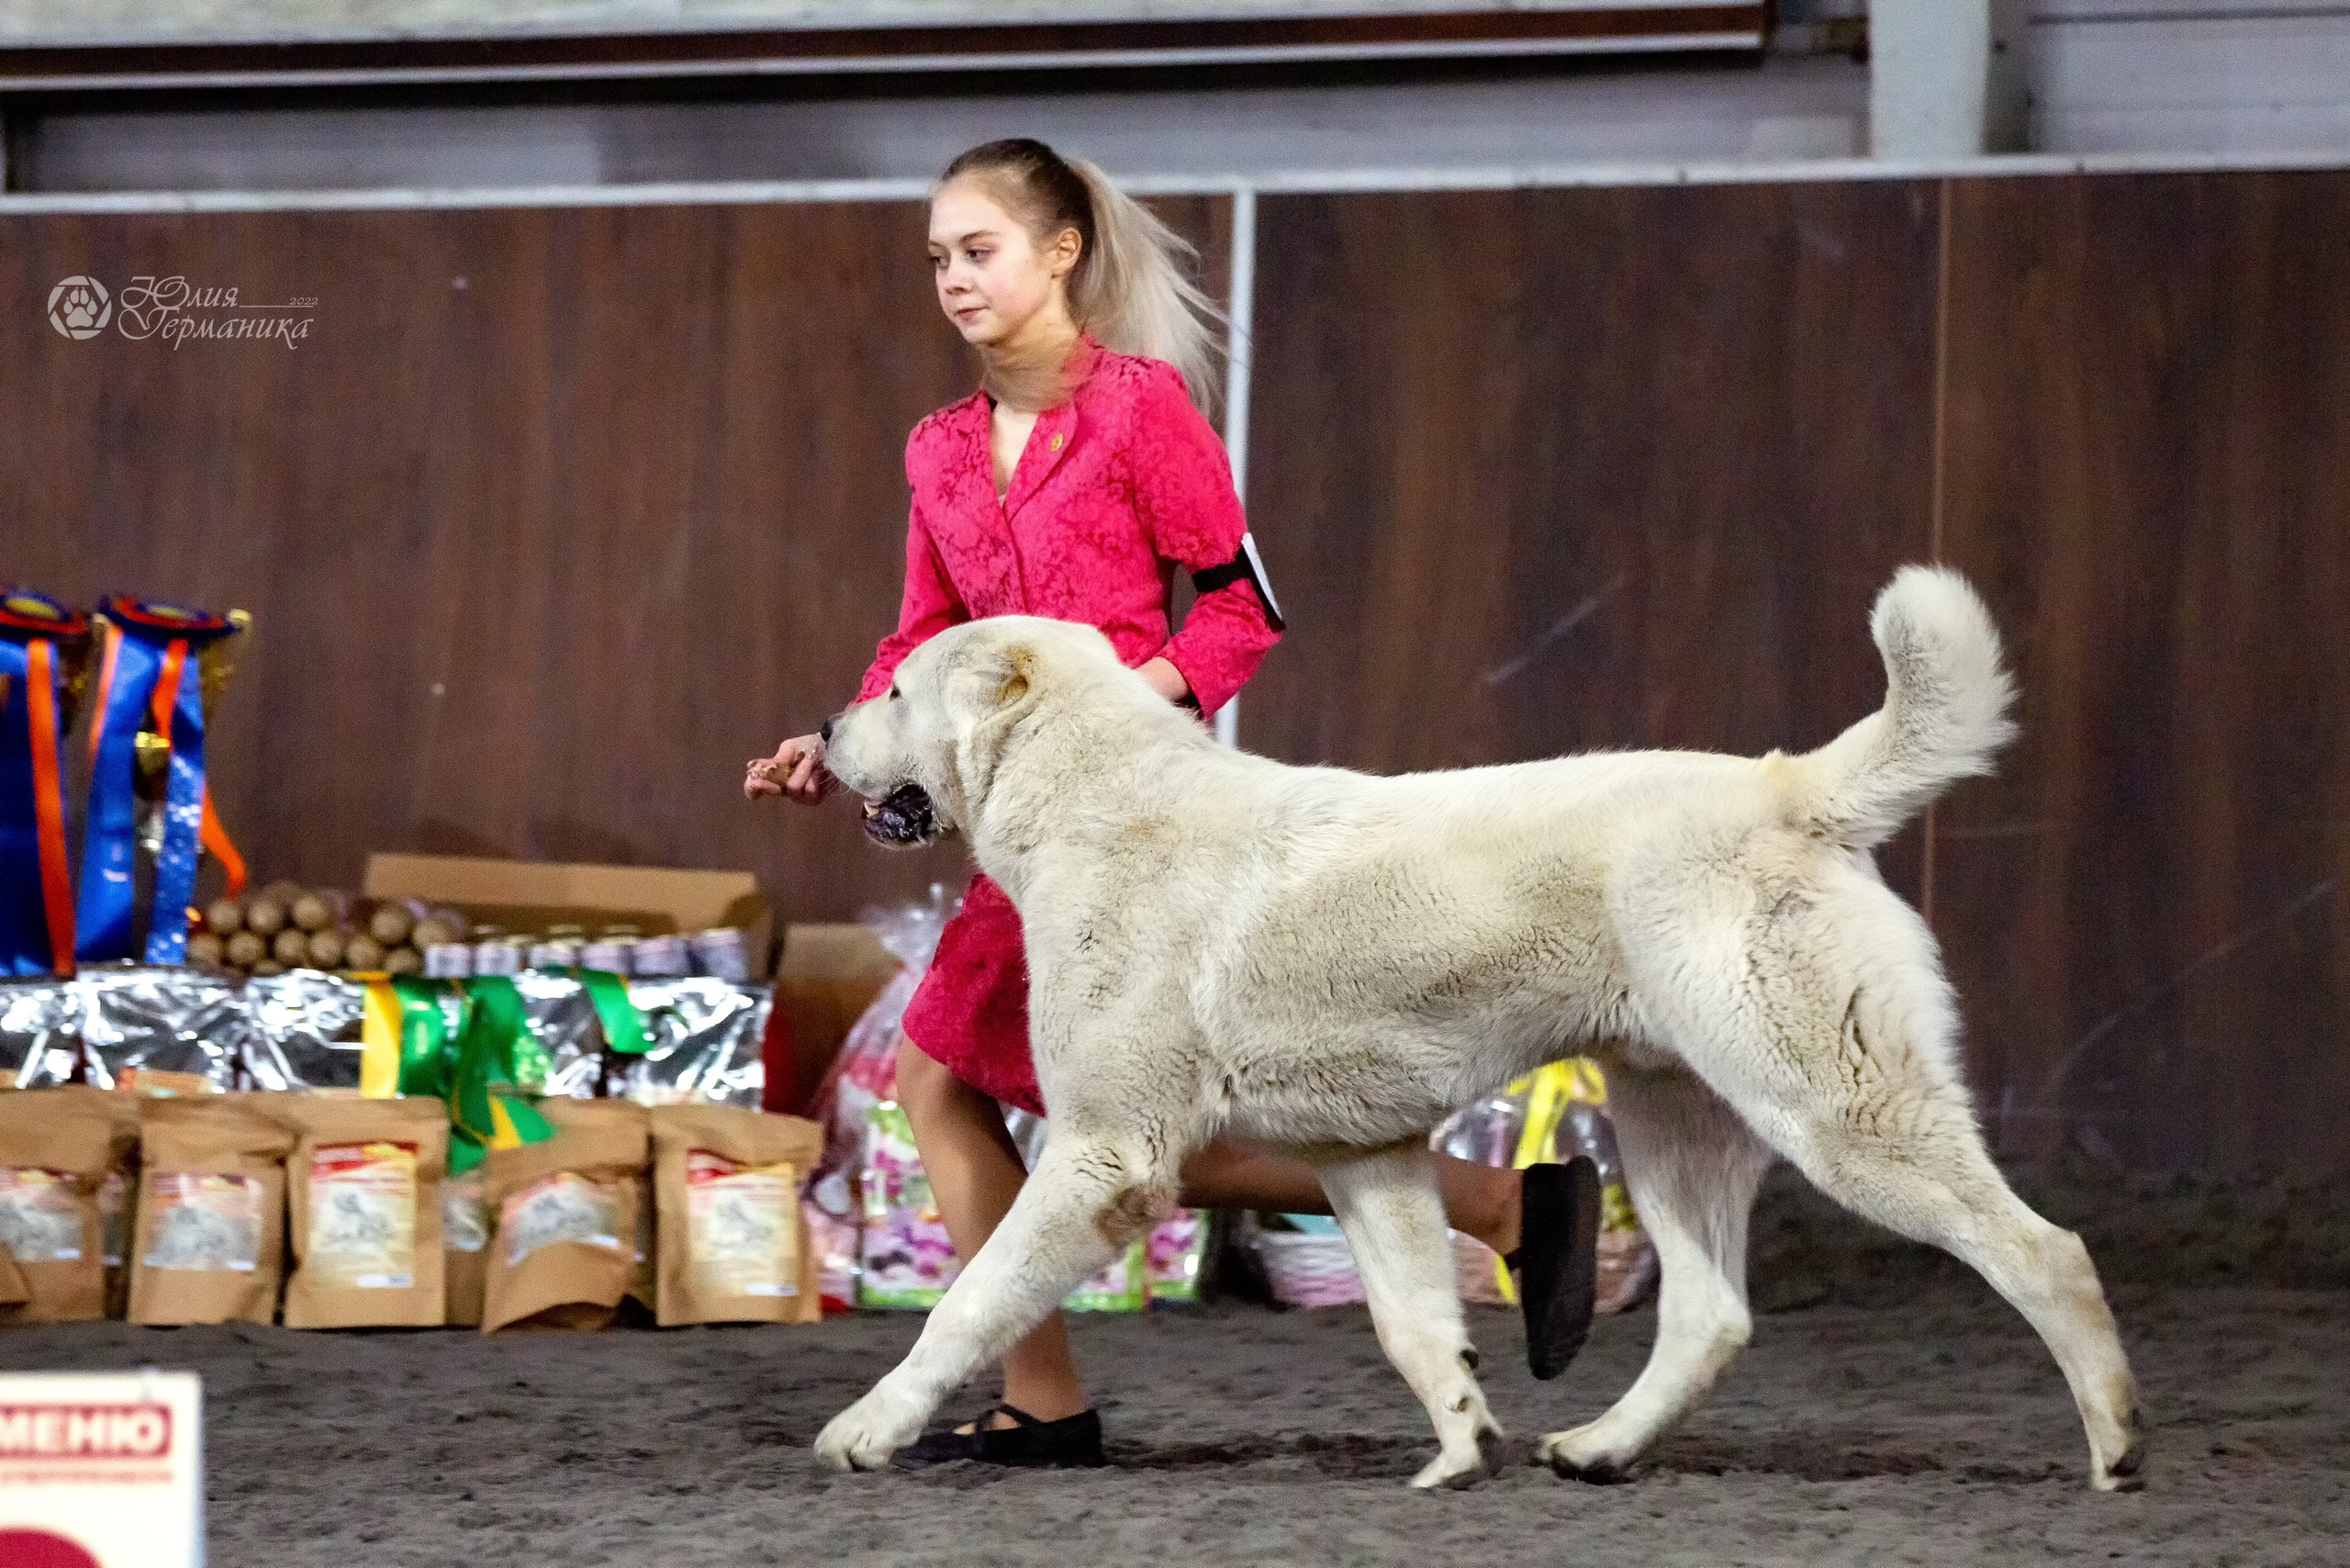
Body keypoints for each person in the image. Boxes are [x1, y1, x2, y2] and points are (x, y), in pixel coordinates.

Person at [749, 138, 1599, 1470]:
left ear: (1061, 254)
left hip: (1148, 830)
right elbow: (926, 636)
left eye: (977, 251)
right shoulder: (937, 453)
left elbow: (1245, 607)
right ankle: (1496, 1209)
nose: (953, 280)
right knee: (1100, 1116)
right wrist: (838, 741)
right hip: (1030, 838)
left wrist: (1138, 701)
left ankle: (1051, 1397)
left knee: (1011, 1095)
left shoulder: (1145, 415)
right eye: (937, 259)